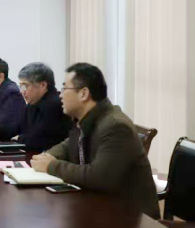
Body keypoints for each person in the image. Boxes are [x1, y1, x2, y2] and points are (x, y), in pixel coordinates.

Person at [31, 63, 159, 218]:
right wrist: (46, 157)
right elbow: (67, 146)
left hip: (132, 217)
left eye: (65, 89)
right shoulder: (87, 119)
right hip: (102, 206)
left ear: (83, 94)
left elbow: (99, 177)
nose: (60, 95)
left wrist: (51, 165)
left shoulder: (115, 126)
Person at [0, 62, 72, 151]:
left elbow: (39, 140)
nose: (22, 91)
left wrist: (19, 138)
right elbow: (18, 126)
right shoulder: (33, 103)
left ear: (43, 85)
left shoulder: (55, 105)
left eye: (25, 86)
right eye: (21, 86)